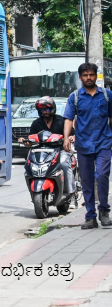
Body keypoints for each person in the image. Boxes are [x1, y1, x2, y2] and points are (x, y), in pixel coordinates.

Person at [63, 63, 112, 229]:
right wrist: (65, 139)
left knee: (102, 175)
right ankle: (90, 216)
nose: (89, 78)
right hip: (83, 144)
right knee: (87, 181)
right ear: (80, 77)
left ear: (96, 75)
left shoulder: (107, 95)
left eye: (91, 75)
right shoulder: (75, 97)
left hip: (104, 142)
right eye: (85, 75)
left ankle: (104, 211)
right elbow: (69, 118)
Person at [19, 96, 76, 197]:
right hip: (41, 152)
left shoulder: (61, 121)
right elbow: (31, 139)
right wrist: (25, 141)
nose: (44, 111)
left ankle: (71, 194)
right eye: (42, 109)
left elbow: (72, 133)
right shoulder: (36, 123)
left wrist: (72, 137)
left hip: (60, 150)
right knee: (29, 167)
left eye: (47, 109)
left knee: (64, 164)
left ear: (52, 109)